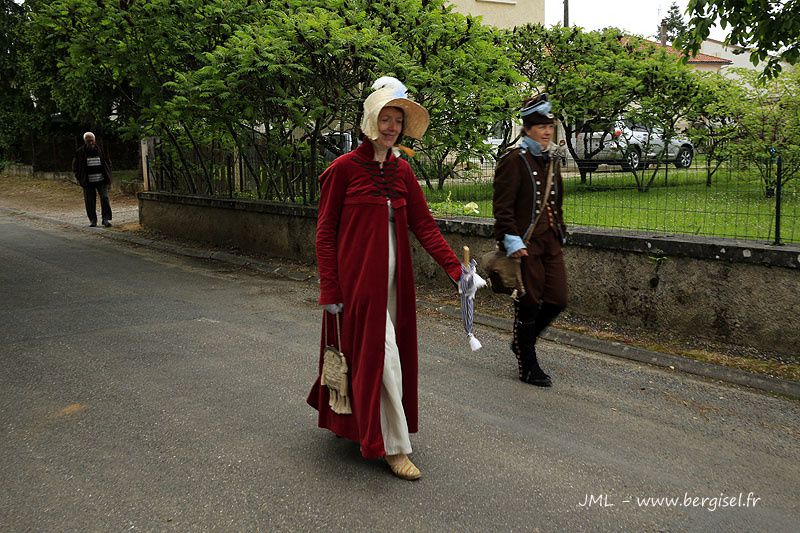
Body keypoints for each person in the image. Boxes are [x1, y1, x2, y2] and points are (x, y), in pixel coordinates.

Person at [308, 77, 463, 481]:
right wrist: (330, 288)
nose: (391, 126)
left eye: (397, 120)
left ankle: (361, 422)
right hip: (357, 286)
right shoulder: (342, 171)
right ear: (369, 121)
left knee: (375, 356)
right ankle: (393, 447)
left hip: (396, 288)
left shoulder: (403, 172)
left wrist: (457, 270)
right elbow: (325, 233)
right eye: (385, 118)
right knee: (384, 358)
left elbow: (425, 227)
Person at [492, 94, 568, 387]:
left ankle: (521, 342)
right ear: (527, 129)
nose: (546, 131)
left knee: (558, 299)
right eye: (539, 126)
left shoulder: (551, 158)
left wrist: (559, 228)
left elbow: (556, 200)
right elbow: (502, 207)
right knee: (529, 302)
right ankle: (528, 363)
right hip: (525, 243)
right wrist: (510, 240)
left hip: (550, 241)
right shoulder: (514, 159)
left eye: (549, 125)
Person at [72, 132, 113, 227]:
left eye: (91, 141)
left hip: (101, 180)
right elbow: (75, 166)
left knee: (105, 198)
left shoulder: (101, 150)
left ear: (94, 140)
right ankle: (93, 220)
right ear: (85, 141)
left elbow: (108, 162)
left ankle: (105, 219)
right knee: (90, 201)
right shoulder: (80, 152)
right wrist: (79, 177)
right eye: (88, 141)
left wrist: (108, 173)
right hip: (87, 181)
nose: (90, 143)